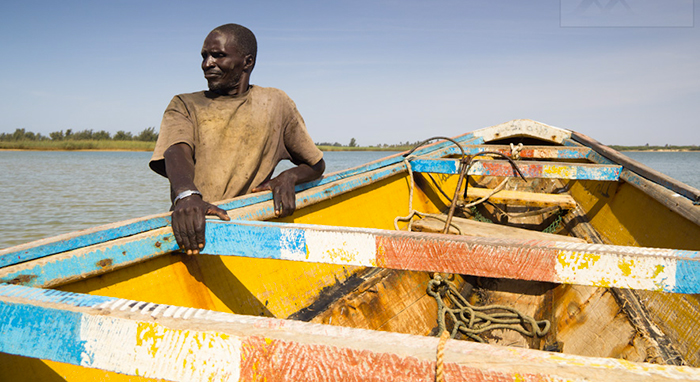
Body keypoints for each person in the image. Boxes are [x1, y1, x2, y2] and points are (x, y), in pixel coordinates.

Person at [149, 23, 325, 255]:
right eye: (204, 56)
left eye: (218, 55)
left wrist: (289, 176)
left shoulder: (275, 103)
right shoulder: (185, 104)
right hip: (193, 222)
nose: (206, 64)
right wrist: (187, 194)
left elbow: (315, 165)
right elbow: (176, 150)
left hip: (246, 225)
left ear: (247, 62)